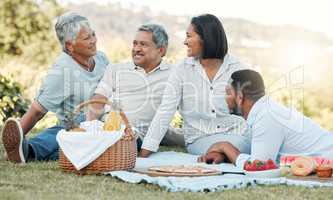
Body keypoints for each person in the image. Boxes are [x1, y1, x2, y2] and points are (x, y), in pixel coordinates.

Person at [1, 12, 109, 163]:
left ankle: (30, 152)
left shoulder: (101, 59)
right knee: (62, 135)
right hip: (76, 125)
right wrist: (16, 136)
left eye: (93, 35)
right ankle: (26, 150)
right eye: (87, 38)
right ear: (69, 46)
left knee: (76, 146)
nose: (94, 40)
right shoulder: (62, 70)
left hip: (105, 122)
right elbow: (37, 111)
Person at [139, 14, 251, 158]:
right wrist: (144, 153)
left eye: (189, 36)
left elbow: (251, 107)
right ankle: (225, 155)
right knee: (240, 146)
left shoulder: (236, 68)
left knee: (245, 143)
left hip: (238, 135)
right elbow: (165, 110)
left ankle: (221, 155)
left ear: (205, 38)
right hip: (200, 140)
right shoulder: (181, 69)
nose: (185, 42)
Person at [199, 69, 333, 168]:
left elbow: (259, 166)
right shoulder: (264, 111)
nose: (225, 98)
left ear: (240, 97)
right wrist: (222, 156)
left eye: (228, 93)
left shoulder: (267, 116)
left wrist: (224, 146)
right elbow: (261, 155)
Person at [87, 24, 184, 149]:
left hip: (132, 137)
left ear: (161, 50)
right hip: (103, 127)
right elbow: (98, 100)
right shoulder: (115, 69)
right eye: (135, 44)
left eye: (143, 44)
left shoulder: (174, 75)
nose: (136, 49)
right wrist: (88, 129)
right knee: (61, 132)